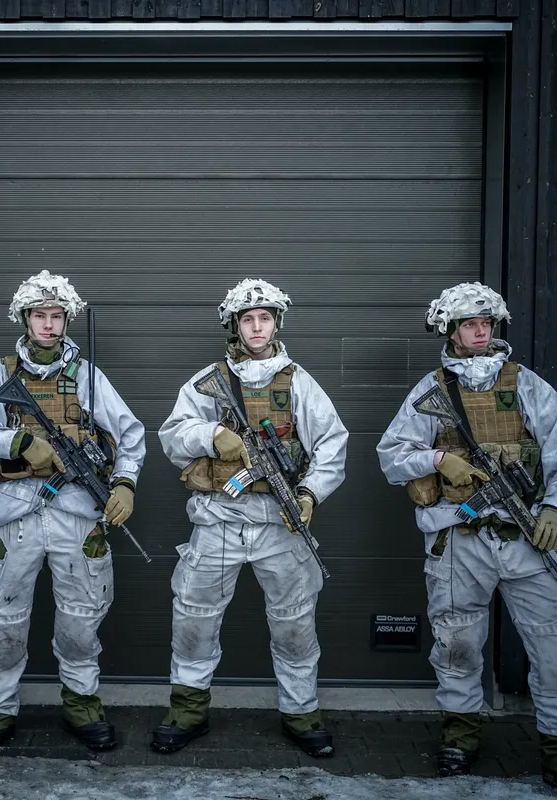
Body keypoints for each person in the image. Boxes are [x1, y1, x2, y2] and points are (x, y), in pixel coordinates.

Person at [376, 282, 557, 799]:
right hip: (459, 536)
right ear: (451, 332)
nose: (481, 331)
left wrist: (552, 507)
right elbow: (391, 455)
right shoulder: (430, 391)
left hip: (524, 535)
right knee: (456, 642)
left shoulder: (527, 386)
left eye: (487, 323)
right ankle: (461, 736)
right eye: (469, 324)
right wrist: (438, 459)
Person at [151, 278, 349, 758]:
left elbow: (332, 444)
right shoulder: (207, 381)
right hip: (218, 517)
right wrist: (213, 433)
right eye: (248, 319)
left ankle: (301, 710)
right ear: (234, 326)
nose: (257, 327)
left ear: (276, 323)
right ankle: (187, 708)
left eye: (265, 318)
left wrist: (308, 495)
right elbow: (172, 435)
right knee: (195, 617)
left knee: (294, 621)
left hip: (279, 521)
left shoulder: (298, 381)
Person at [0, 269, 146, 756]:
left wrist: (124, 483)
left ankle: (81, 701)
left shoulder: (87, 375)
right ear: (25, 319)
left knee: (81, 617)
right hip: (13, 513)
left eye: (56, 316)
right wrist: (18, 442)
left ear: (67, 321)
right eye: (39, 315)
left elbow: (130, 436)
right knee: (0, 618)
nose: (48, 324)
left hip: (78, 514)